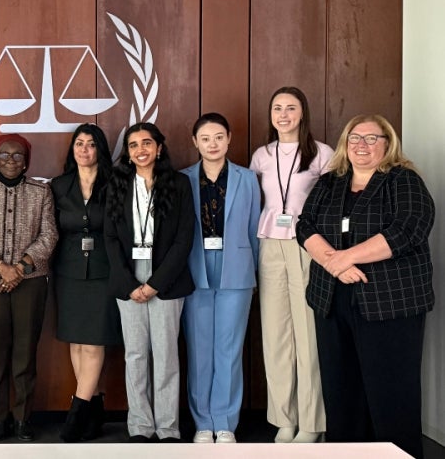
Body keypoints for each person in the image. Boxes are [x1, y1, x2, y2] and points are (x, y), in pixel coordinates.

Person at [296, 115, 433, 459]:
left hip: (389, 304)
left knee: (391, 393)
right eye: (355, 138)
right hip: (331, 299)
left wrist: (345, 259)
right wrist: (333, 262)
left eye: (372, 139)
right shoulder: (330, 182)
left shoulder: (403, 180)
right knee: (341, 391)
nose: (362, 145)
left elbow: (408, 230)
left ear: (388, 144)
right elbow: (305, 225)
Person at [249, 87, 332, 443]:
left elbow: (330, 203)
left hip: (307, 247)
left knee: (308, 335)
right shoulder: (261, 155)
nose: (283, 114)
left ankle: (313, 423)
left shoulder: (322, 154)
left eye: (291, 108)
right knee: (276, 335)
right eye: (277, 108)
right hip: (269, 245)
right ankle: (284, 418)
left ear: (303, 113)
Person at [104, 122, 193, 443]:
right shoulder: (117, 184)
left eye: (146, 143)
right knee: (136, 355)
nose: (140, 150)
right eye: (133, 145)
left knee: (167, 354)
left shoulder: (179, 184)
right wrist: (130, 284)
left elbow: (184, 239)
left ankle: (168, 427)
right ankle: (140, 425)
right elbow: (110, 238)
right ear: (127, 153)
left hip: (166, 278)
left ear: (158, 148)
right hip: (128, 276)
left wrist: (155, 284)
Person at [0, 134, 57, 442]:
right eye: (4, 155)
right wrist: (0, 267)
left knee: (25, 352)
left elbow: (49, 235)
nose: (10, 161)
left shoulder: (41, 191)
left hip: (29, 282)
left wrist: (20, 268)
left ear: (27, 160)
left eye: (18, 156)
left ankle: (22, 419)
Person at [180, 113, 260, 444]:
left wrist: (252, 268)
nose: (212, 144)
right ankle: (202, 422)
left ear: (229, 139)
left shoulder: (248, 178)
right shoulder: (182, 179)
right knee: (199, 349)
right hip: (195, 267)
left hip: (236, 268)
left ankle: (225, 421)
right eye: (205, 138)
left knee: (229, 348)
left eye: (218, 137)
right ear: (195, 142)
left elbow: (255, 228)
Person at [50, 123, 121, 442]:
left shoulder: (117, 182)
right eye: (79, 143)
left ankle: (76, 413)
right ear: (72, 149)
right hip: (68, 270)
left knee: (94, 343)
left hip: (105, 269)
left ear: (100, 150)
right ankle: (94, 412)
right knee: (76, 343)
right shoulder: (58, 185)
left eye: (91, 144)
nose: (84, 149)